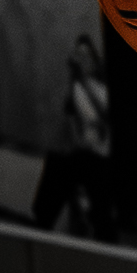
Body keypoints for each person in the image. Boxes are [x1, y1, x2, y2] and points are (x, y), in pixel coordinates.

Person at [33, 35, 117, 239]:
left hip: (103, 157)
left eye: (86, 56)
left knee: (89, 168)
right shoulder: (74, 88)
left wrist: (85, 82)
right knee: (58, 160)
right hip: (83, 151)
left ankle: (99, 223)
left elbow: (107, 119)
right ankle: (44, 217)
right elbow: (70, 126)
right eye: (78, 55)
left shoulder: (103, 89)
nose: (81, 60)